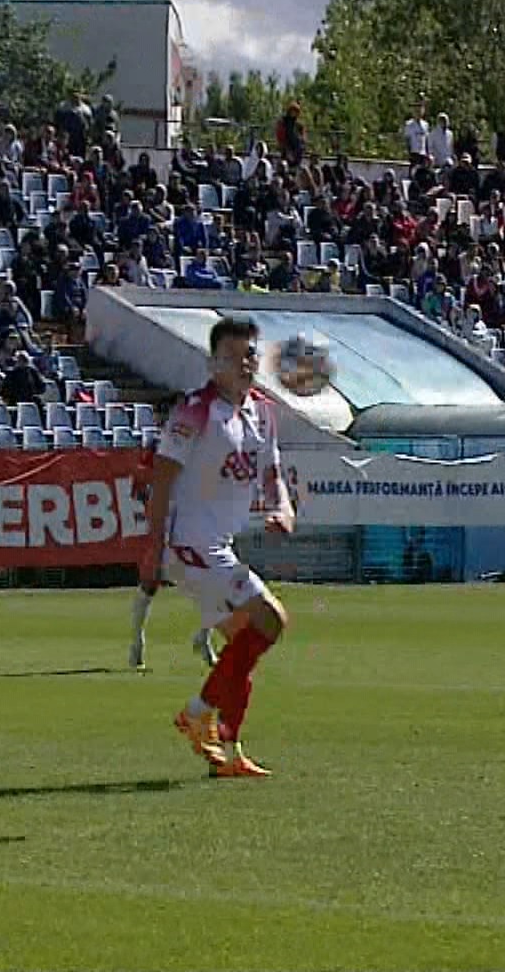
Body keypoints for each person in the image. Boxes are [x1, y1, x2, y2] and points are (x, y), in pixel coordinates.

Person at [140, 316, 295, 778]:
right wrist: (153, 547)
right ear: (213, 363)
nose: (244, 363)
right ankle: (196, 712)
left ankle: (228, 751)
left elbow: (272, 476)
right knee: (271, 619)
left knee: (239, 649)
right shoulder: (195, 410)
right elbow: (162, 479)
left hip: (216, 544)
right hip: (190, 544)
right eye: (232, 356)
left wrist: (283, 509)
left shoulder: (263, 412)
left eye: (249, 354)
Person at [126, 438, 222, 673]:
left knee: (219, 581)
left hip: (194, 524)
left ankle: (203, 637)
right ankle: (137, 641)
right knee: (150, 582)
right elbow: (138, 487)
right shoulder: (156, 445)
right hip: (166, 524)